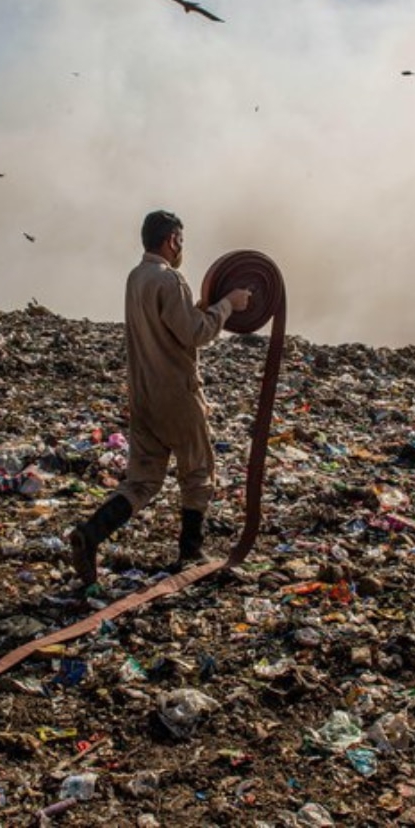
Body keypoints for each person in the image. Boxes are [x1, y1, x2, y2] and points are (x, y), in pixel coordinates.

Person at [69, 210, 251, 585]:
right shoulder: (170, 280)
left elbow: (169, 324)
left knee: (142, 481)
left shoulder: (136, 277)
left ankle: (90, 534)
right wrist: (229, 304)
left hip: (143, 394)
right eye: (181, 239)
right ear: (173, 240)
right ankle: (190, 551)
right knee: (198, 472)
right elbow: (195, 333)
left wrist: (200, 306)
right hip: (177, 395)